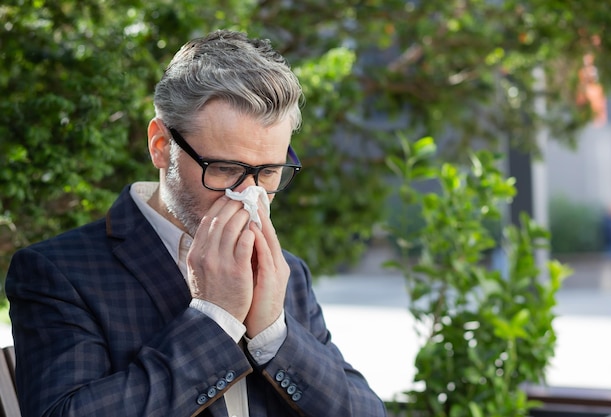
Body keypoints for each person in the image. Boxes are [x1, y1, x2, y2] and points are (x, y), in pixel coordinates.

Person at [5, 30, 387, 417]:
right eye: (225, 169)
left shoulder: (286, 272)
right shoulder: (58, 273)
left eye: (269, 172)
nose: (250, 195)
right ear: (160, 146)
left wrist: (274, 334)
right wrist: (215, 320)